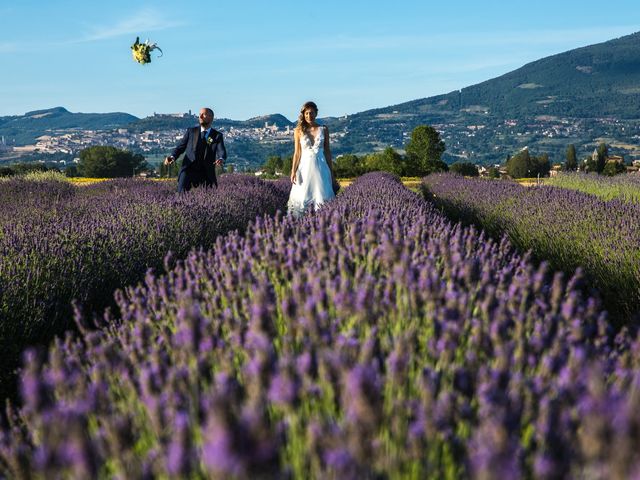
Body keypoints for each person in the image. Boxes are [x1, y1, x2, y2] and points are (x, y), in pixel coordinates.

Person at [287, 101, 337, 216]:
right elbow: (297, 152)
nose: (309, 116)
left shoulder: (324, 129)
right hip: (304, 169)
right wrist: (293, 171)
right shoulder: (298, 131)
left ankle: (324, 221)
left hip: (321, 168)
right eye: (307, 113)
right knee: (303, 195)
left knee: (322, 194)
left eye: (311, 113)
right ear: (303, 115)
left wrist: (331, 170)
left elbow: (327, 151)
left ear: (316, 114)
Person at [164, 107, 226, 192]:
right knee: (181, 195)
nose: (200, 117)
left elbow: (221, 150)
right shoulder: (191, 131)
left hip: (206, 172)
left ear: (211, 117)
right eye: (199, 114)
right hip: (188, 169)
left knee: (210, 199)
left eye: (203, 114)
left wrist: (221, 159)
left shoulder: (217, 135)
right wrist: (173, 156)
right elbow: (180, 147)